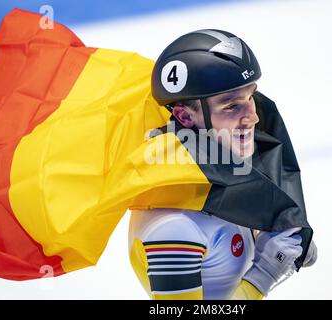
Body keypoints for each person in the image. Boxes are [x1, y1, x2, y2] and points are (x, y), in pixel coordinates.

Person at [128, 29, 317, 300]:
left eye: (250, 97)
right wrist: (265, 274)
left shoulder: (224, 167)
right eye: (232, 106)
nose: (252, 117)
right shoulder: (174, 226)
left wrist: (280, 225)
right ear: (184, 115)